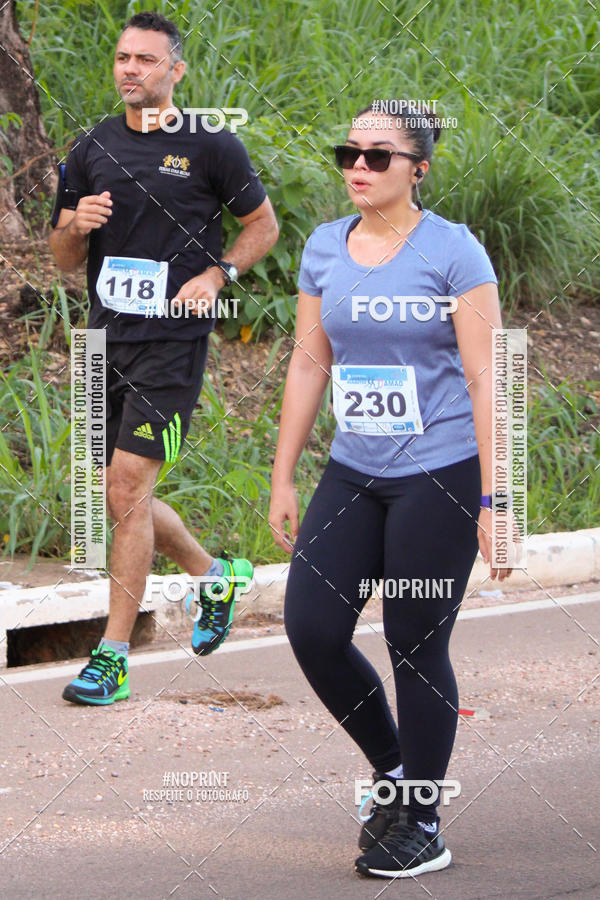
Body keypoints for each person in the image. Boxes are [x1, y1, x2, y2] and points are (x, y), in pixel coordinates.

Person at [269, 101, 512, 878]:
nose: (358, 168)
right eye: (349, 153)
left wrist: (498, 500)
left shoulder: (455, 252)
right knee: (311, 628)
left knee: (413, 638)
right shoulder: (323, 247)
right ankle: (396, 770)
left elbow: (486, 378)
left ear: (420, 169)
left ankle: (424, 820)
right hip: (353, 472)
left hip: (438, 473)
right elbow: (310, 363)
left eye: (378, 156)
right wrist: (282, 473)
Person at [50, 11, 278, 705]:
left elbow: (261, 227)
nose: (130, 69)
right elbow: (62, 256)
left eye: (146, 60)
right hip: (101, 339)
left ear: (175, 71)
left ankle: (112, 659)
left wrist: (218, 277)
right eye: (122, 57)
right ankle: (215, 575)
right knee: (120, 495)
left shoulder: (210, 144)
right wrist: (73, 226)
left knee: (126, 489)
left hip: (171, 343)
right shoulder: (89, 146)